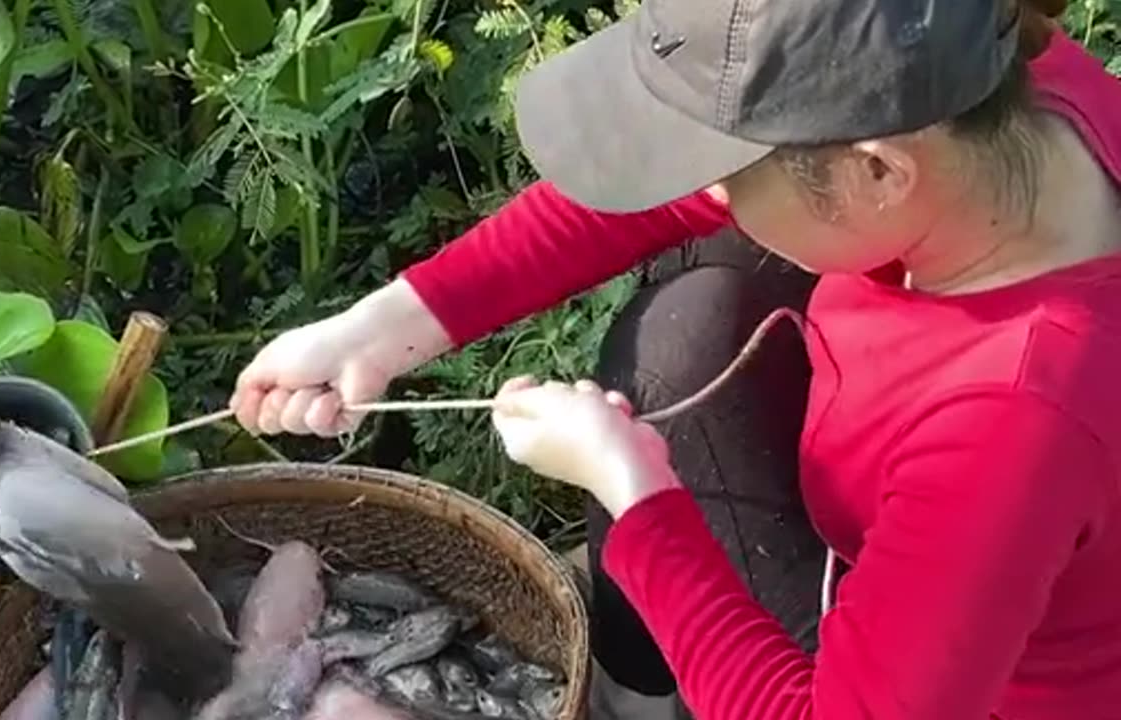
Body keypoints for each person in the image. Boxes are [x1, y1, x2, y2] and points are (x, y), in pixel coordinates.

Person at [229, 0, 1121, 716]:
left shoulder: (1016, 420)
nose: (707, 191)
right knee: (685, 330)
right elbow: (675, 199)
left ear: (878, 174)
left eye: (728, 173)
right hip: (948, 561)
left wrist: (639, 499)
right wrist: (387, 326)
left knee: (675, 363)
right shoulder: (995, 82)